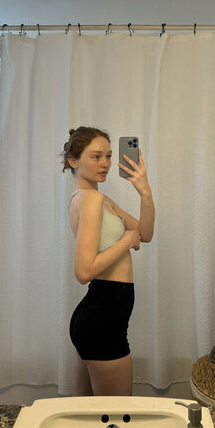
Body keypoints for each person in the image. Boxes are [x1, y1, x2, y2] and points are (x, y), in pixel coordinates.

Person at [62, 126, 155, 396]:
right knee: (117, 415)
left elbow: (145, 233)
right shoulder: (91, 199)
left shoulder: (100, 199)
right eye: (96, 156)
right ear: (73, 161)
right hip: (103, 320)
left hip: (98, 318)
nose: (105, 163)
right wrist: (126, 240)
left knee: (87, 415)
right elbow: (84, 271)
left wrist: (145, 192)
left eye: (109, 156)